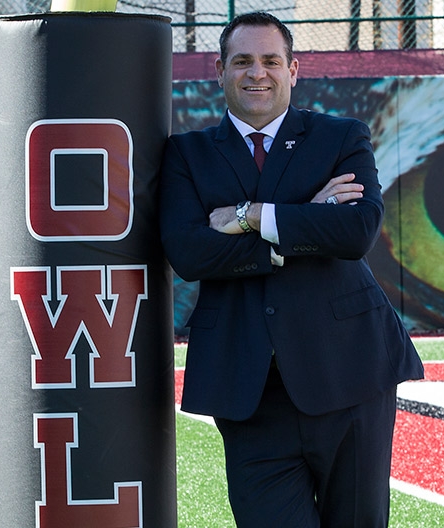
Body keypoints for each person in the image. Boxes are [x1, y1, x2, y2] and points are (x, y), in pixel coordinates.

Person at [159, 11, 424, 527]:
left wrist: (251, 217)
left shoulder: (340, 136)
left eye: (270, 61)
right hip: (248, 389)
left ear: (293, 70)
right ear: (219, 69)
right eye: (242, 61)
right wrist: (305, 222)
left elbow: (356, 232)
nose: (257, 73)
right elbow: (189, 253)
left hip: (350, 372)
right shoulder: (185, 154)